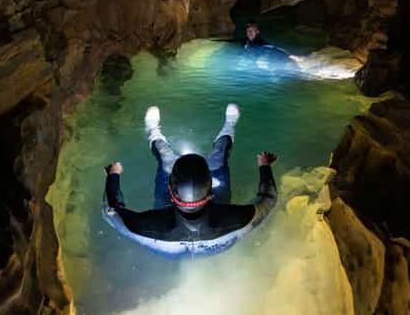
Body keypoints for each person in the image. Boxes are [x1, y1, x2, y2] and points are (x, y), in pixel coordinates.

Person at [102, 103, 278, 257]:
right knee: (220, 154)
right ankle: (230, 123)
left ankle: (154, 132)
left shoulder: (148, 227)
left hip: (164, 240)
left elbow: (111, 212)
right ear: (211, 193)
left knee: (165, 158)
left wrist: (113, 176)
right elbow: (268, 199)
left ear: (170, 191)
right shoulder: (238, 220)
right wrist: (264, 165)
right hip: (220, 231)